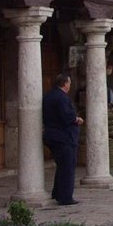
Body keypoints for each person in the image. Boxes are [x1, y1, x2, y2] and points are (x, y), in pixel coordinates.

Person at [43, 73, 84, 205]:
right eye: (69, 83)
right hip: (63, 137)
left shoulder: (48, 95)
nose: (70, 85)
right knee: (67, 166)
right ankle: (65, 197)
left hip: (51, 135)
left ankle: (57, 193)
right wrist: (77, 119)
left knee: (62, 165)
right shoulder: (62, 98)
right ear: (65, 84)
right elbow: (66, 116)